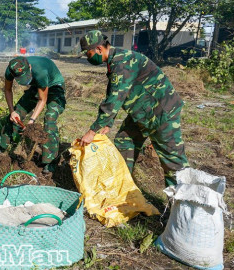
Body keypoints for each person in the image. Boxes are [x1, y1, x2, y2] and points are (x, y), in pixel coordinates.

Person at [78, 30, 189, 187]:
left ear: (99, 49)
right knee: (125, 140)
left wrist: (92, 131)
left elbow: (114, 100)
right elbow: (114, 93)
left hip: (162, 112)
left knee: (173, 163)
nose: (88, 58)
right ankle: (123, 187)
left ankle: (182, 205)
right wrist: (107, 123)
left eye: (88, 54)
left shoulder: (122, 63)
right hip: (145, 111)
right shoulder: (115, 61)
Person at [0, 56, 66, 174]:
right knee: (17, 112)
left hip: (55, 86)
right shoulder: (10, 70)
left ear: (30, 67)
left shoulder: (40, 72)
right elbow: (7, 90)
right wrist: (12, 111)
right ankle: (2, 146)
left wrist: (31, 120)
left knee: (50, 118)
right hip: (37, 85)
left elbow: (42, 99)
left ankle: (50, 161)